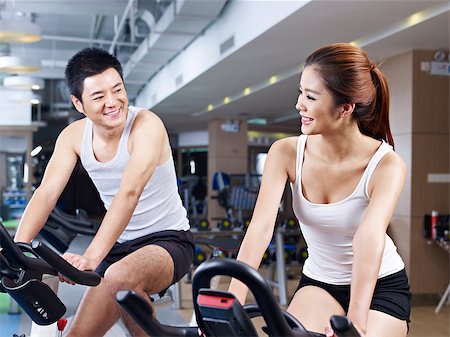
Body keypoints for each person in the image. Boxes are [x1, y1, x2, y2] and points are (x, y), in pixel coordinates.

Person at [228, 43, 411, 337]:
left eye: (311, 97)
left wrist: (356, 321)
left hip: (379, 285)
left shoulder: (386, 165)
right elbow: (260, 228)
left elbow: (369, 237)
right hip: (319, 281)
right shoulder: (285, 152)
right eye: (300, 92)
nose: (299, 104)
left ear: (346, 107)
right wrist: (232, 300)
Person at [14, 47, 195, 337]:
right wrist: (17, 250)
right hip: (120, 248)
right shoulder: (74, 136)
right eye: (98, 97)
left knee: (119, 276)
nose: (112, 102)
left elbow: (129, 192)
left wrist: (90, 257)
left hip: (168, 241)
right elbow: (46, 193)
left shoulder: (146, 126)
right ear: (79, 103)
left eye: (117, 90)